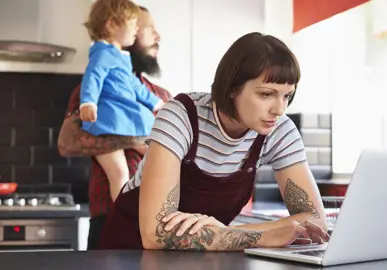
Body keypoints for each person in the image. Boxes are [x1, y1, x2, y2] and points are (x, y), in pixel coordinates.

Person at [99, 32, 330, 250]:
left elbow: (316, 223)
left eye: (287, 95)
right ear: (231, 88)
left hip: (200, 260)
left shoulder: (278, 131)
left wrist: (226, 233)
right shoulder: (180, 117)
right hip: (127, 255)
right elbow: (154, 233)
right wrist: (263, 236)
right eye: (266, 94)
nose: (279, 109)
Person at [57, 6, 172, 250]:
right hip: (109, 221)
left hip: (158, 225)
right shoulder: (93, 92)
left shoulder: (161, 96)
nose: (157, 36)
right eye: (147, 28)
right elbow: (67, 142)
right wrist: (133, 140)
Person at [80, 0, 163, 206]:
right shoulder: (102, 54)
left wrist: (155, 103)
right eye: (136, 24)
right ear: (111, 25)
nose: (135, 30)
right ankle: (123, 213)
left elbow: (134, 85)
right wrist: (88, 103)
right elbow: (93, 77)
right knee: (119, 173)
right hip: (107, 124)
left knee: (159, 156)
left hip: (151, 219)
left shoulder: (120, 59)